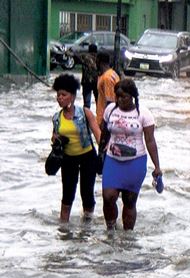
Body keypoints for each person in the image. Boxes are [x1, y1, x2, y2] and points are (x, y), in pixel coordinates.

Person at [101, 79, 161, 231]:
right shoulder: (110, 110)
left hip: (135, 162)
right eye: (118, 96)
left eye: (124, 97)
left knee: (129, 200)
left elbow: (150, 141)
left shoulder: (144, 114)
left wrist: (157, 167)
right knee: (108, 197)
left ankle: (127, 238)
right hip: (112, 160)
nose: (120, 100)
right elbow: (104, 133)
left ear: (132, 96)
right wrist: (100, 152)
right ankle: (111, 230)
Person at [50, 74, 101, 224]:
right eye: (58, 95)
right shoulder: (56, 117)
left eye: (63, 95)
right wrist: (56, 141)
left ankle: (87, 227)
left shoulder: (85, 113)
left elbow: (98, 135)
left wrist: (105, 154)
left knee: (87, 194)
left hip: (87, 158)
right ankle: (63, 229)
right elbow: (54, 137)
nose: (60, 98)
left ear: (72, 96)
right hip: (68, 159)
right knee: (67, 195)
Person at [96, 52, 120, 126]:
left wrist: (104, 120)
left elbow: (110, 101)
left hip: (105, 118)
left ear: (99, 61)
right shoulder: (113, 73)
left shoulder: (107, 78)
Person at [79, 43, 99, 109]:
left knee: (87, 103)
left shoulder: (84, 57)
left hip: (86, 82)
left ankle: (87, 117)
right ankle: (98, 116)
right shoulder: (98, 58)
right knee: (98, 100)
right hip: (96, 81)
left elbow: (75, 55)